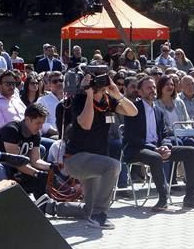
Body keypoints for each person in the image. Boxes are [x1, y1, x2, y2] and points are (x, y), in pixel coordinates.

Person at [56, 70, 137, 228]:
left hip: (96, 161)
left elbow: (133, 112)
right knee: (114, 165)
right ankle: (100, 214)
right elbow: (86, 125)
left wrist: (117, 93)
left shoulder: (108, 101)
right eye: (96, 80)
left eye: (102, 78)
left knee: (88, 209)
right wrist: (89, 95)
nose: (100, 83)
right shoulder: (79, 100)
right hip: (76, 159)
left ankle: (52, 206)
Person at [122, 77, 194, 211]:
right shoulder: (133, 110)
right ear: (139, 91)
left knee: (191, 151)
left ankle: (190, 197)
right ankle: (163, 199)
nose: (152, 90)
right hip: (137, 149)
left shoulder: (158, 111)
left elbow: (165, 134)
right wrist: (155, 148)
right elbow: (131, 138)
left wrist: (165, 146)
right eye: (148, 88)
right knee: (155, 157)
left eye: (154, 87)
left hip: (157, 148)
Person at [0, 103, 51, 198]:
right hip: (0, 167)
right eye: (38, 123)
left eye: (42, 123)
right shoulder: (12, 130)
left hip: (17, 167)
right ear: (27, 119)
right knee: (36, 175)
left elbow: (35, 161)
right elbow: (15, 162)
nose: (40, 127)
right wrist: (37, 173)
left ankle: (42, 207)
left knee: (42, 180)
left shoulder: (35, 133)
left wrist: (52, 167)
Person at [0, 70, 26, 134]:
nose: (11, 87)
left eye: (13, 84)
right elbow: (1, 131)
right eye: (8, 84)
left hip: (29, 137)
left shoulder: (18, 101)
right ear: (0, 86)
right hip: (12, 141)